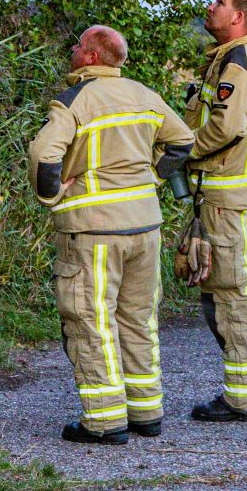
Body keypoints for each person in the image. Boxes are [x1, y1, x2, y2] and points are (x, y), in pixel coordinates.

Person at [28, 25, 196, 444]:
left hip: (94, 228)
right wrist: (152, 178)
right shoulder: (145, 95)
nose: (72, 48)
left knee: (91, 320)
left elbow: (43, 154)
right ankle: (146, 411)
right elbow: (182, 142)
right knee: (138, 319)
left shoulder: (74, 100)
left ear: (90, 57)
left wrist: (52, 195)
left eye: (78, 44)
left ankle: (104, 422)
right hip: (145, 225)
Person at [179, 0, 247, 422]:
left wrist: (182, 151)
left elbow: (225, 128)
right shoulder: (239, 59)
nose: (211, 7)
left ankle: (243, 397)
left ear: (238, 17)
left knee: (230, 294)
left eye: (219, 3)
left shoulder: (237, 63)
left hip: (226, 196)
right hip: (240, 194)